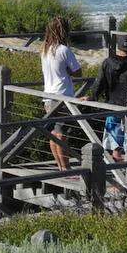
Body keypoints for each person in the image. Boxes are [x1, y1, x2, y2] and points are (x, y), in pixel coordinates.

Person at [79, 34, 127, 161]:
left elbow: (99, 83)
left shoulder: (107, 63)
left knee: (115, 146)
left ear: (117, 47)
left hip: (112, 106)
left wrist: (92, 97)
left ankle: (118, 169)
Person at [40, 16, 82, 172]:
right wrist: (69, 71)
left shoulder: (45, 50)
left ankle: (60, 166)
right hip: (63, 97)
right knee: (62, 135)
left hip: (48, 97)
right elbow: (78, 72)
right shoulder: (64, 50)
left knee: (53, 134)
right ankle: (66, 167)